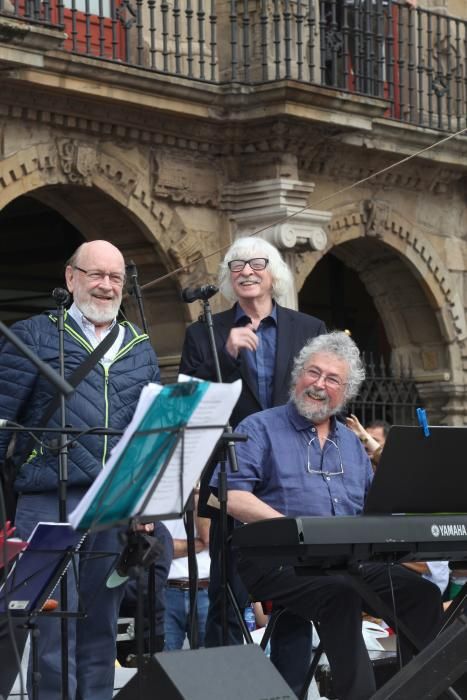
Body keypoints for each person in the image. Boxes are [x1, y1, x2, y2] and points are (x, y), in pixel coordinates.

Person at [212, 331, 442, 699]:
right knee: (341, 593)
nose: (318, 385)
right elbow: (232, 495)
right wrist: (292, 530)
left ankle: (416, 691)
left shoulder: (351, 444)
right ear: (297, 375)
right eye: (312, 373)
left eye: (332, 379)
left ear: (346, 392)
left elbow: (373, 510)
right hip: (277, 561)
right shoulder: (259, 427)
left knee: (423, 594)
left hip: (348, 563)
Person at [0, 240, 160, 700]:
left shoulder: (140, 347)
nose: (106, 286)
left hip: (113, 505)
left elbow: (147, 433)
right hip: (48, 499)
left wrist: (143, 499)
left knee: (99, 626)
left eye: (115, 278)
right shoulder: (32, 335)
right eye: (96, 274)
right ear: (71, 278)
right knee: (51, 626)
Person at [179, 235, 326, 664]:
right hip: (233, 476)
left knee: (299, 599)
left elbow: (322, 397)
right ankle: (222, 688)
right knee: (228, 594)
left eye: (256, 263)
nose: (246, 270)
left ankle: (290, 689)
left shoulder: (308, 329)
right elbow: (190, 400)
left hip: (294, 476)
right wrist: (225, 356)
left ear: (273, 273)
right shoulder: (204, 332)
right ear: (228, 278)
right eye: (236, 265)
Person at [162, 499, 210, 650]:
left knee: (210, 660)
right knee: (166, 661)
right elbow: (159, 547)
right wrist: (197, 544)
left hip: (204, 588)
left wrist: (196, 493)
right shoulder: (160, 497)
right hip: (167, 590)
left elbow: (207, 537)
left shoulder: (204, 492)